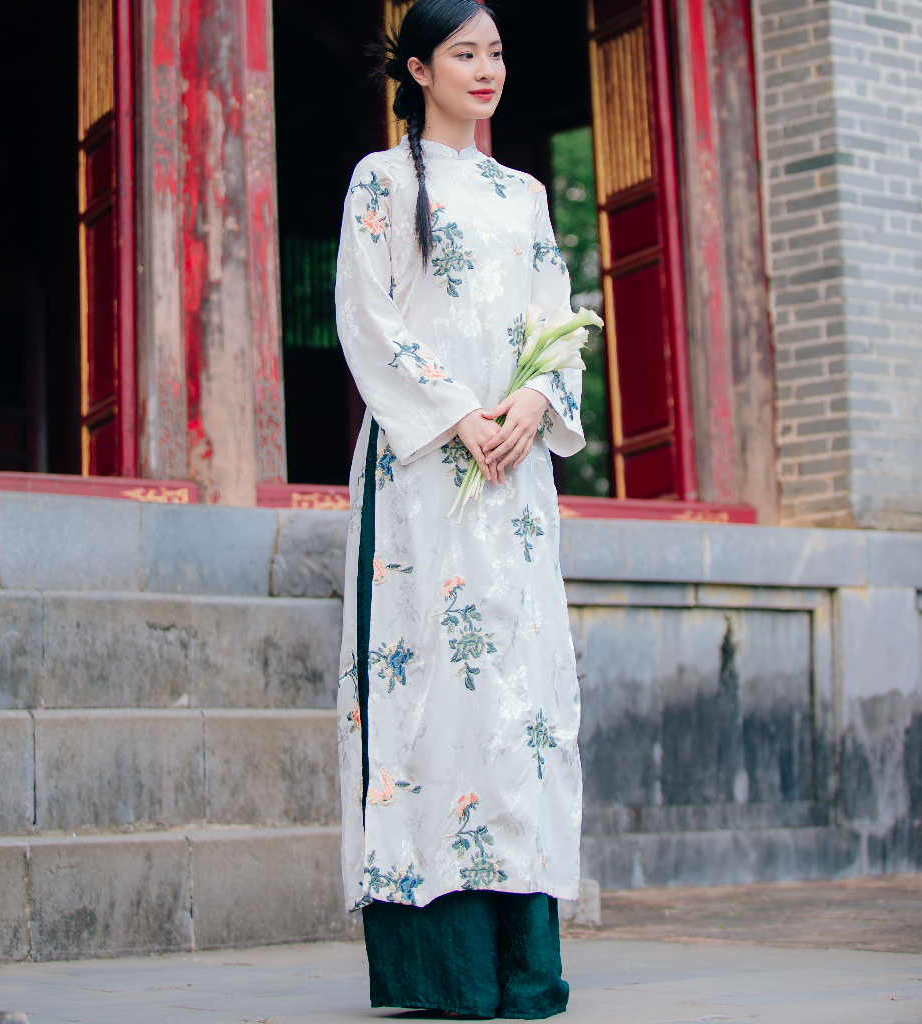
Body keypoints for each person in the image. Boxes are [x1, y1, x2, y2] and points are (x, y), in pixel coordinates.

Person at [334, 0, 584, 1016]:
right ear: (420, 68)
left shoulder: (522, 193)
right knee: (430, 694)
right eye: (464, 53)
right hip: (425, 477)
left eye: (495, 53)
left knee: (520, 703)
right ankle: (442, 966)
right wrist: (455, 415)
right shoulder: (383, 182)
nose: (487, 70)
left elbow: (558, 317)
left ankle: (526, 963)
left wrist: (531, 398)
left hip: (514, 479)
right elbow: (369, 315)